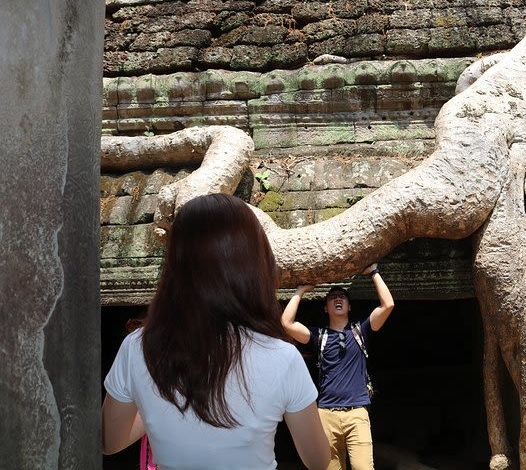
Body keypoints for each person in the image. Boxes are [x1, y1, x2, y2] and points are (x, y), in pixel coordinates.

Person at [102, 193, 330, 470]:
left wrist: (159, 408)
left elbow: (110, 441)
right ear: (255, 264)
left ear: (176, 264)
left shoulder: (137, 346)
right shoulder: (283, 357)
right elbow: (318, 460)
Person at [282, 264, 394, 470]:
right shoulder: (319, 336)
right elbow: (287, 323)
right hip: (326, 416)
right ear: (326, 308)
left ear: (349, 306)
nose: (338, 299)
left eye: (342, 296)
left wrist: (374, 272)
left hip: (357, 413)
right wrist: (299, 291)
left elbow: (388, 305)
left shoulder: (362, 331)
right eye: (332, 297)